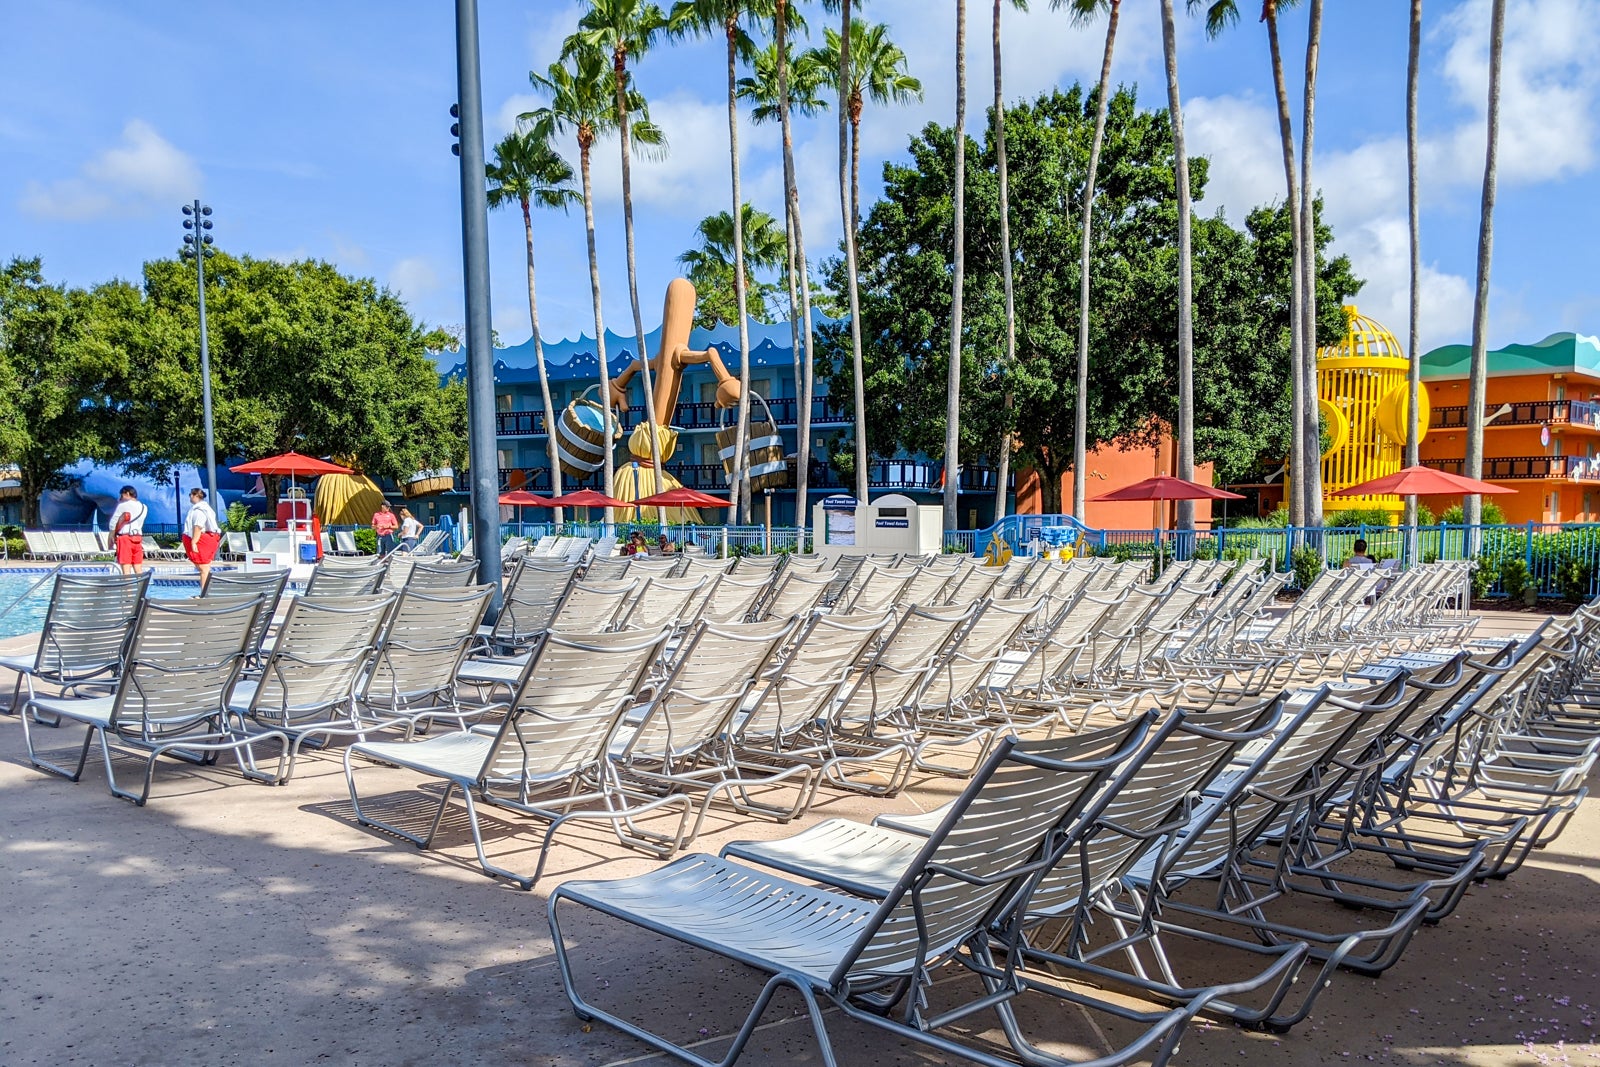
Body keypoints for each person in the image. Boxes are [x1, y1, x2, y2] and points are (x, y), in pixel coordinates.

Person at [182, 488, 222, 587]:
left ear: (195, 495)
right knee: (205, 568)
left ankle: (204, 594)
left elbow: (198, 526)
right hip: (208, 539)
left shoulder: (199, 510)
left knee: (203, 568)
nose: (190, 497)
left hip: (202, 540)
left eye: (190, 494)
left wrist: (194, 542)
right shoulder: (206, 508)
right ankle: (204, 593)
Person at [108, 485, 149, 575]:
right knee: (138, 568)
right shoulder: (144, 507)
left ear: (127, 493)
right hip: (138, 538)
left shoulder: (123, 505)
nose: (120, 498)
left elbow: (113, 523)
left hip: (125, 538)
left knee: (126, 569)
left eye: (122, 495)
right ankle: (140, 587)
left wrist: (111, 536)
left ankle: (127, 589)